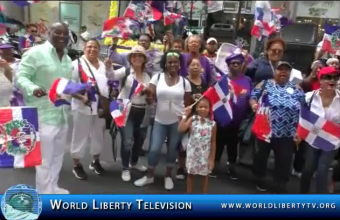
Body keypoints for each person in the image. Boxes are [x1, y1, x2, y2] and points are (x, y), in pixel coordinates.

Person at [16, 22, 72, 194]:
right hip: (43, 115)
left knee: (58, 157)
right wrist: (33, 88)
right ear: (49, 32)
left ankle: (53, 187)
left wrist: (79, 93)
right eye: (58, 32)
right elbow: (20, 77)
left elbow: (65, 85)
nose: (62, 36)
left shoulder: (68, 59)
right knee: (44, 161)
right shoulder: (35, 53)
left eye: (65, 33)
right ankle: (44, 195)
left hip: (62, 114)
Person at [134, 50, 192, 190]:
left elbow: (188, 105)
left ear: (179, 64)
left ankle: (168, 176)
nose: (172, 64)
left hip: (176, 123)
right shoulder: (157, 78)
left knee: (172, 150)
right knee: (154, 150)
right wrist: (148, 95)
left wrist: (185, 118)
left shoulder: (185, 83)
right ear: (165, 63)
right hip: (160, 120)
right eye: (170, 62)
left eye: (175, 62)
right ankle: (149, 176)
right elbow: (150, 100)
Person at [249, 61, 305, 193]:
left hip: (287, 131)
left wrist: (300, 130)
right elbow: (253, 97)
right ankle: (260, 177)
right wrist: (254, 105)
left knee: (284, 159)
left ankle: (280, 182)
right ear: (275, 71)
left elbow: (304, 108)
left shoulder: (297, 88)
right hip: (265, 129)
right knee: (261, 155)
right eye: (280, 69)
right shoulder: (265, 84)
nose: (283, 72)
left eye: (286, 70)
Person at [105, 45, 152, 182]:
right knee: (127, 141)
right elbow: (111, 76)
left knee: (139, 140)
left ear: (144, 59)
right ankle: (125, 168)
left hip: (142, 110)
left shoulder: (148, 75)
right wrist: (108, 66)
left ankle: (134, 162)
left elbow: (151, 96)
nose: (137, 58)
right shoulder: (125, 72)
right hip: (125, 109)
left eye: (140, 55)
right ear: (130, 59)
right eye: (134, 55)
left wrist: (148, 93)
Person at [70, 39, 110, 180]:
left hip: (100, 108)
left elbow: (109, 83)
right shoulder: (76, 65)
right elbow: (68, 86)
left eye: (95, 47)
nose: (92, 49)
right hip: (83, 107)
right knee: (80, 136)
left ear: (99, 49)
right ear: (84, 48)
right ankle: (77, 164)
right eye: (89, 47)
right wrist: (81, 97)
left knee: (98, 135)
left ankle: (95, 161)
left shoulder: (102, 66)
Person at [211, 51, 252, 179]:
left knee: (233, 146)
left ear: (241, 65)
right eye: (232, 63)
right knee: (218, 144)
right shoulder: (221, 80)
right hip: (222, 119)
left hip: (238, 121)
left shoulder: (248, 80)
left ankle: (232, 168)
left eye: (238, 63)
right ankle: (214, 166)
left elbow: (251, 96)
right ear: (228, 65)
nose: (235, 65)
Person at [300, 67, 340, 194]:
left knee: (322, 170)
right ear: (320, 79)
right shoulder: (309, 97)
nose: (332, 80)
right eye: (328, 77)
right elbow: (299, 113)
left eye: (335, 77)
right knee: (308, 169)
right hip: (313, 139)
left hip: (331, 142)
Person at [176, 57, 209, 180]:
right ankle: (180, 167)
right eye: (192, 65)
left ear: (201, 68)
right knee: (183, 144)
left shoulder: (204, 82)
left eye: (197, 65)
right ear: (187, 67)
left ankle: (192, 167)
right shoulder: (183, 82)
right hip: (187, 116)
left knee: (196, 143)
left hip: (200, 117)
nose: (195, 67)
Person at [178, 98, 217, 193]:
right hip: (192, 154)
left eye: (205, 107)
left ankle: (203, 195)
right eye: (200, 107)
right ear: (196, 108)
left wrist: (212, 159)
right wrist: (185, 116)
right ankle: (189, 195)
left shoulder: (212, 124)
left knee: (205, 176)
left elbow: (213, 142)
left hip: (205, 155)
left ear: (209, 109)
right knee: (191, 175)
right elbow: (181, 129)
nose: (203, 109)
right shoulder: (193, 119)